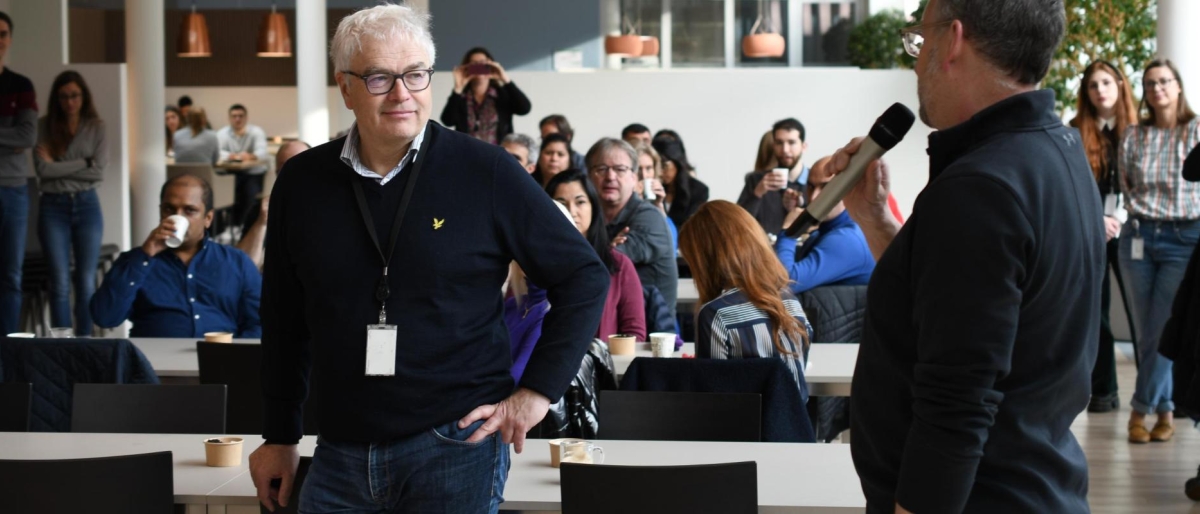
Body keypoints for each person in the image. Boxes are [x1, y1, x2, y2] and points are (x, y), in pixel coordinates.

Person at [248, 6, 609, 513]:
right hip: (338, 450)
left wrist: (535, 394)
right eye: (379, 78)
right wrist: (279, 436)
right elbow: (283, 320)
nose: (402, 94)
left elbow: (585, 276)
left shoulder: (486, 171)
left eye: (416, 75)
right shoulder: (302, 183)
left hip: (456, 446)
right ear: (345, 88)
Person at [845, 1, 1102, 512]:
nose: (916, 63)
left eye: (919, 41)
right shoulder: (1054, 151)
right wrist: (876, 220)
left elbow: (957, 402)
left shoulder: (981, 187)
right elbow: (959, 309)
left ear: (954, 40)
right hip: (1034, 483)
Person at [1118, 58, 1200, 444]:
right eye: (1150, 83)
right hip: (1138, 235)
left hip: (1184, 238)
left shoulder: (1196, 130)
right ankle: (1165, 410)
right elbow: (1127, 185)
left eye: (1164, 81)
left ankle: (1139, 409)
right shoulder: (1135, 135)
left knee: (1161, 331)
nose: (1157, 89)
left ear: (1178, 86)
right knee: (1146, 332)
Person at [91, 174, 262, 338]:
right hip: (153, 362)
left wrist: (237, 355)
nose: (177, 217)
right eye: (169, 209)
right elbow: (105, 318)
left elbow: (261, 321)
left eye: (189, 210)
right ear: (161, 212)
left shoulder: (236, 262)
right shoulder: (135, 261)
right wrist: (144, 256)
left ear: (208, 218)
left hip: (220, 360)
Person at [681, 200, 811, 397]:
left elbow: (711, 399)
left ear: (705, 261)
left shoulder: (716, 315)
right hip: (795, 424)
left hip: (743, 426)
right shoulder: (790, 301)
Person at [1069, 60, 1140, 414]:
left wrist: (1117, 218)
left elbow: (1141, 184)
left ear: (1121, 85)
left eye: (1106, 83)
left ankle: (1154, 396)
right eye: (1093, 85)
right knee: (1097, 315)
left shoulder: (1140, 129)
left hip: (1132, 230)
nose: (1100, 90)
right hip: (1090, 231)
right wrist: (1097, 219)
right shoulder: (1074, 131)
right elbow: (1070, 186)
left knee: (1141, 314)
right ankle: (1104, 392)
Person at [33, 71, 106, 336]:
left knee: (86, 279)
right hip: (53, 207)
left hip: (87, 205)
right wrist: (83, 163)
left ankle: (84, 338)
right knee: (59, 280)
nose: (70, 102)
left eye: (74, 95)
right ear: (57, 99)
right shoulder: (44, 126)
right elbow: (43, 171)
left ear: (83, 96)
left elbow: (98, 172)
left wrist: (59, 165)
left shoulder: (97, 127)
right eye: (63, 97)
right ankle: (62, 342)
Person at [547, 170, 646, 342]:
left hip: (602, 365)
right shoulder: (531, 264)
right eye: (561, 203)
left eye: (580, 202)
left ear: (593, 207)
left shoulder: (619, 264)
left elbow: (634, 334)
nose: (571, 211)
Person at [588, 137, 678, 320]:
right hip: (610, 322)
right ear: (589, 176)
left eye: (620, 169)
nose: (610, 177)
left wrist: (606, 252)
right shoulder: (591, 216)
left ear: (634, 177)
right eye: (601, 169)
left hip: (651, 334)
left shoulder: (649, 217)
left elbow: (605, 264)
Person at [774, 157, 874, 294]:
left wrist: (789, 232)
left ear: (849, 188)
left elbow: (784, 283)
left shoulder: (846, 239)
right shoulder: (833, 229)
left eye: (826, 187)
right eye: (810, 186)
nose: (814, 197)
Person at [0, 11, 36, 337]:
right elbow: (16, 137)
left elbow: (27, 137)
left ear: (9, 39)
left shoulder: (20, 85)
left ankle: (7, 348)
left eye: (2, 33)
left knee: (11, 274)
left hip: (12, 189)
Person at [237, 140, 310, 270]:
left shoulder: (330, 207)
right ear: (277, 173)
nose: (292, 172)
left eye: (300, 165)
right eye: (285, 167)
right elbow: (242, 267)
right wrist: (261, 223)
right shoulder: (263, 210)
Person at [440, 47, 531, 145]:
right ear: (467, 67)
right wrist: (457, 88)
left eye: (483, 63)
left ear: (490, 65)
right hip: (467, 153)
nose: (479, 66)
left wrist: (505, 79)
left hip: (499, 154)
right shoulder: (461, 97)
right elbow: (447, 121)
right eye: (474, 63)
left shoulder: (501, 95)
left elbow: (524, 109)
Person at [737, 118, 810, 235]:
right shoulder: (756, 180)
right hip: (764, 251)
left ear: (804, 146)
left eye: (791, 142)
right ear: (773, 145)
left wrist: (801, 206)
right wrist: (757, 194)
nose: (785, 150)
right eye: (779, 143)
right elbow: (737, 224)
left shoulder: (815, 181)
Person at [218, 104, 270, 229]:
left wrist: (250, 156)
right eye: (234, 116)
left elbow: (263, 152)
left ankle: (244, 227)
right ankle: (225, 227)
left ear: (246, 117)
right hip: (230, 172)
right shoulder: (222, 133)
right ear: (229, 118)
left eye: (240, 116)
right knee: (222, 193)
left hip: (253, 172)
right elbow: (217, 152)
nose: (237, 119)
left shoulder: (256, 132)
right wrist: (231, 156)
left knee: (249, 194)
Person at [653, 138, 709, 228]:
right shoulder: (652, 187)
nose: (660, 171)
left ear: (677, 163)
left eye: (664, 165)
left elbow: (691, 227)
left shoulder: (699, 190)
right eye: (655, 166)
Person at [633, 142, 677, 252]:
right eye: (639, 169)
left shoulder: (656, 203)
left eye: (648, 168)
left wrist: (659, 205)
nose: (644, 175)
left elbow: (671, 243)